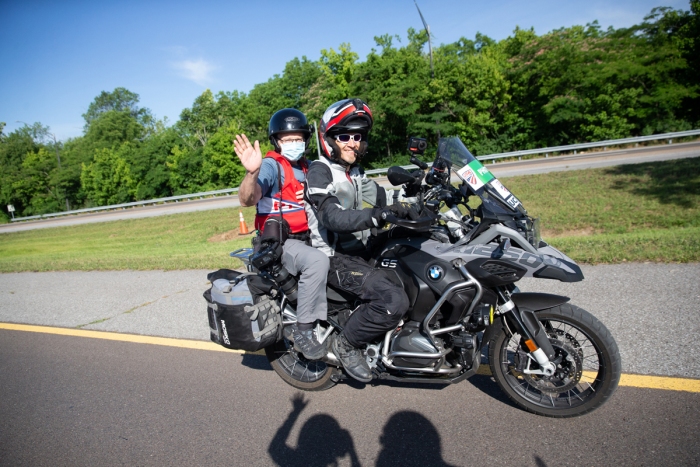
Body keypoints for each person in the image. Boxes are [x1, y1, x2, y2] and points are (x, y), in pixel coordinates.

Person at [304, 98, 418, 382]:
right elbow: (332, 217)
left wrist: (416, 194)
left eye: (358, 137)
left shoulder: (355, 172)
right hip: (334, 257)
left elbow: (382, 199)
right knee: (393, 300)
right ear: (328, 139)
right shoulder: (320, 171)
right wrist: (377, 217)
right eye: (344, 136)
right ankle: (347, 344)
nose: (352, 143)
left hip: (363, 251)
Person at [234, 108, 329, 361]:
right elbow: (247, 199)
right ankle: (304, 330)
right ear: (277, 141)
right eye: (287, 140)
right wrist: (252, 173)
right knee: (317, 261)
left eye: (298, 138)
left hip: (308, 238)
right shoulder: (270, 166)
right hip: (279, 243)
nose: (294, 144)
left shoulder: (310, 168)